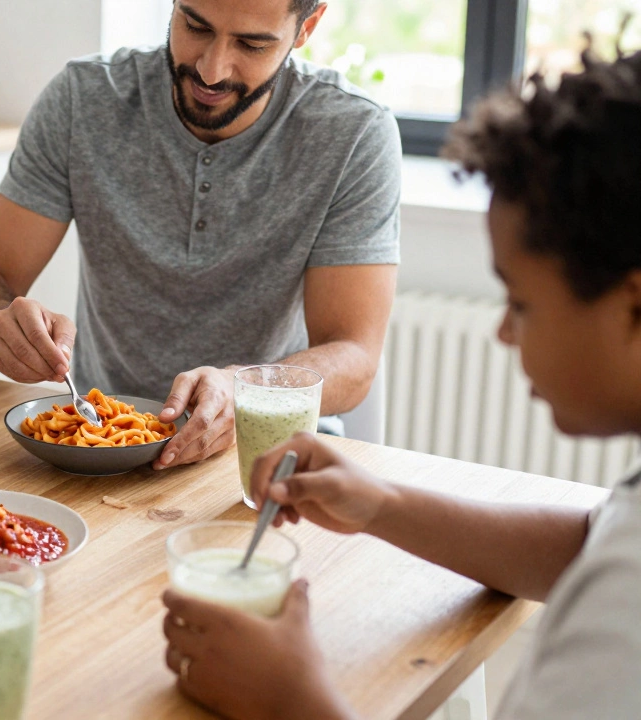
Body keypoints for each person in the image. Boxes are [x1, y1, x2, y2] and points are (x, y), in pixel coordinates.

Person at [161, 47, 641, 719]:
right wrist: (381, 503)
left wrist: (294, 701)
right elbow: (591, 542)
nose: (504, 332)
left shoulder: (623, 624)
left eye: (522, 303)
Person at [0, 0, 400, 469]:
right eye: (195, 26)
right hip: (101, 446)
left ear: (306, 27)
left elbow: (355, 358)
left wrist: (242, 389)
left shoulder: (354, 133)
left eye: (251, 44)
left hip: (263, 453)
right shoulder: (83, 99)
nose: (210, 70)